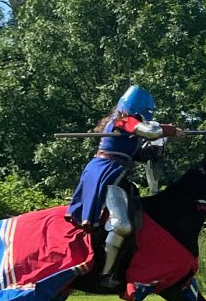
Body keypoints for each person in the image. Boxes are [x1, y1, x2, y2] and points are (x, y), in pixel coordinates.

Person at [67, 85, 182, 290]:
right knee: (122, 225)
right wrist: (171, 130)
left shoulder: (127, 126)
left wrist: (149, 154)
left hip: (115, 172)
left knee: (134, 220)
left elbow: (132, 153)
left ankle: (120, 266)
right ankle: (104, 274)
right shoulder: (123, 120)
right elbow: (152, 131)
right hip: (106, 172)